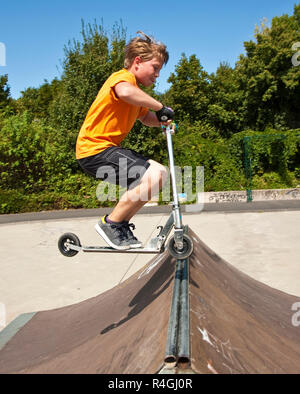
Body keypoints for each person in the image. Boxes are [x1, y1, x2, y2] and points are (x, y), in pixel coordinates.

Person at [76, 31, 174, 250]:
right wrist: (159, 106)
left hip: (104, 151)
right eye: (155, 67)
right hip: (94, 149)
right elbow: (124, 92)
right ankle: (111, 223)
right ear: (138, 62)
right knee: (154, 174)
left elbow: (145, 118)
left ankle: (120, 225)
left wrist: (162, 121)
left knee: (160, 173)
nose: (157, 74)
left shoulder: (136, 92)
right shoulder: (122, 79)